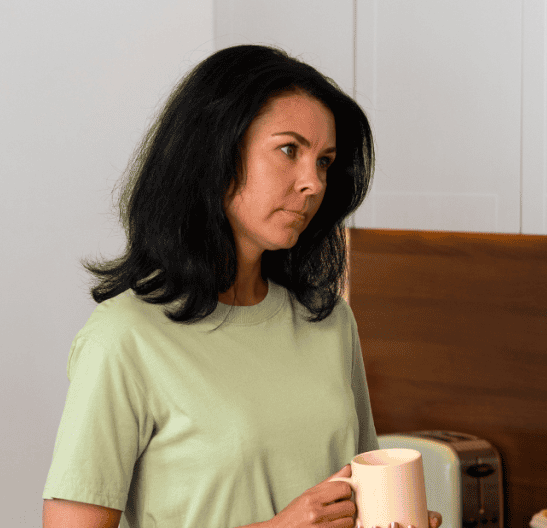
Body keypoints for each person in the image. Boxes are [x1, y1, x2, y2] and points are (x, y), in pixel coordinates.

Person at [42, 45, 441, 528]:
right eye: (289, 150)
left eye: (324, 161)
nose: (313, 182)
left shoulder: (329, 320)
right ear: (215, 151)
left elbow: (359, 499)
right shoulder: (123, 336)